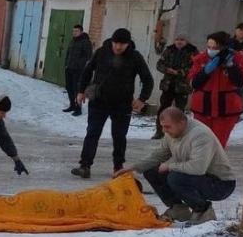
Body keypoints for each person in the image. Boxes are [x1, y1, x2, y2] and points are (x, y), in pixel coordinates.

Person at [115, 107, 235, 225]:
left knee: (175, 178)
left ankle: (203, 211)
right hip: (198, 176)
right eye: (162, 126)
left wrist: (170, 166)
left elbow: (198, 168)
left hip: (220, 184)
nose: (164, 131)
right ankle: (179, 209)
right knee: (151, 171)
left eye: (167, 127)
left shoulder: (200, 135)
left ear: (181, 123)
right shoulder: (173, 132)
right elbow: (158, 154)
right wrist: (134, 167)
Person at [71, 28, 154, 179]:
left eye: (122, 44)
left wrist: (142, 99)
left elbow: (148, 79)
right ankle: (85, 166)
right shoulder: (102, 52)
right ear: (112, 41)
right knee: (92, 133)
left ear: (128, 44)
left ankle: (118, 166)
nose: (118, 47)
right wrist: (81, 91)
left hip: (122, 103)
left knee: (119, 136)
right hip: (99, 101)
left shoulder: (135, 57)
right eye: (116, 43)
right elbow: (87, 72)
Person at [187, 30, 243, 148]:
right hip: (203, 108)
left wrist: (231, 67)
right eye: (209, 47)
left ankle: (215, 165)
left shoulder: (236, 58)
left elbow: (241, 82)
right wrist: (205, 71)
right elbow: (193, 83)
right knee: (201, 143)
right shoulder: (201, 59)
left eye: (214, 48)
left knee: (218, 144)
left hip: (226, 109)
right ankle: (200, 164)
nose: (211, 50)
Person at [152, 34, 198, 139]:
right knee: (163, 109)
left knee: (179, 111)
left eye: (182, 39)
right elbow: (159, 64)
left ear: (186, 41)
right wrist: (167, 70)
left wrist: (179, 72)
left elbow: (194, 67)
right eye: (177, 39)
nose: (179, 42)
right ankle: (160, 131)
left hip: (182, 86)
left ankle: (178, 133)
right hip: (168, 85)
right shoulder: (170, 50)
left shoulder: (193, 52)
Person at [62, 24, 93, 116]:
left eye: (76, 31)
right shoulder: (73, 41)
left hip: (78, 69)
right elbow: (68, 53)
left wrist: (79, 64)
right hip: (69, 68)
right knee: (69, 87)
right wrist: (66, 64)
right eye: (73, 31)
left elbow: (88, 56)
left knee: (77, 89)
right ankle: (72, 105)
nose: (74, 33)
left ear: (81, 32)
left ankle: (78, 108)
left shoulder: (85, 42)